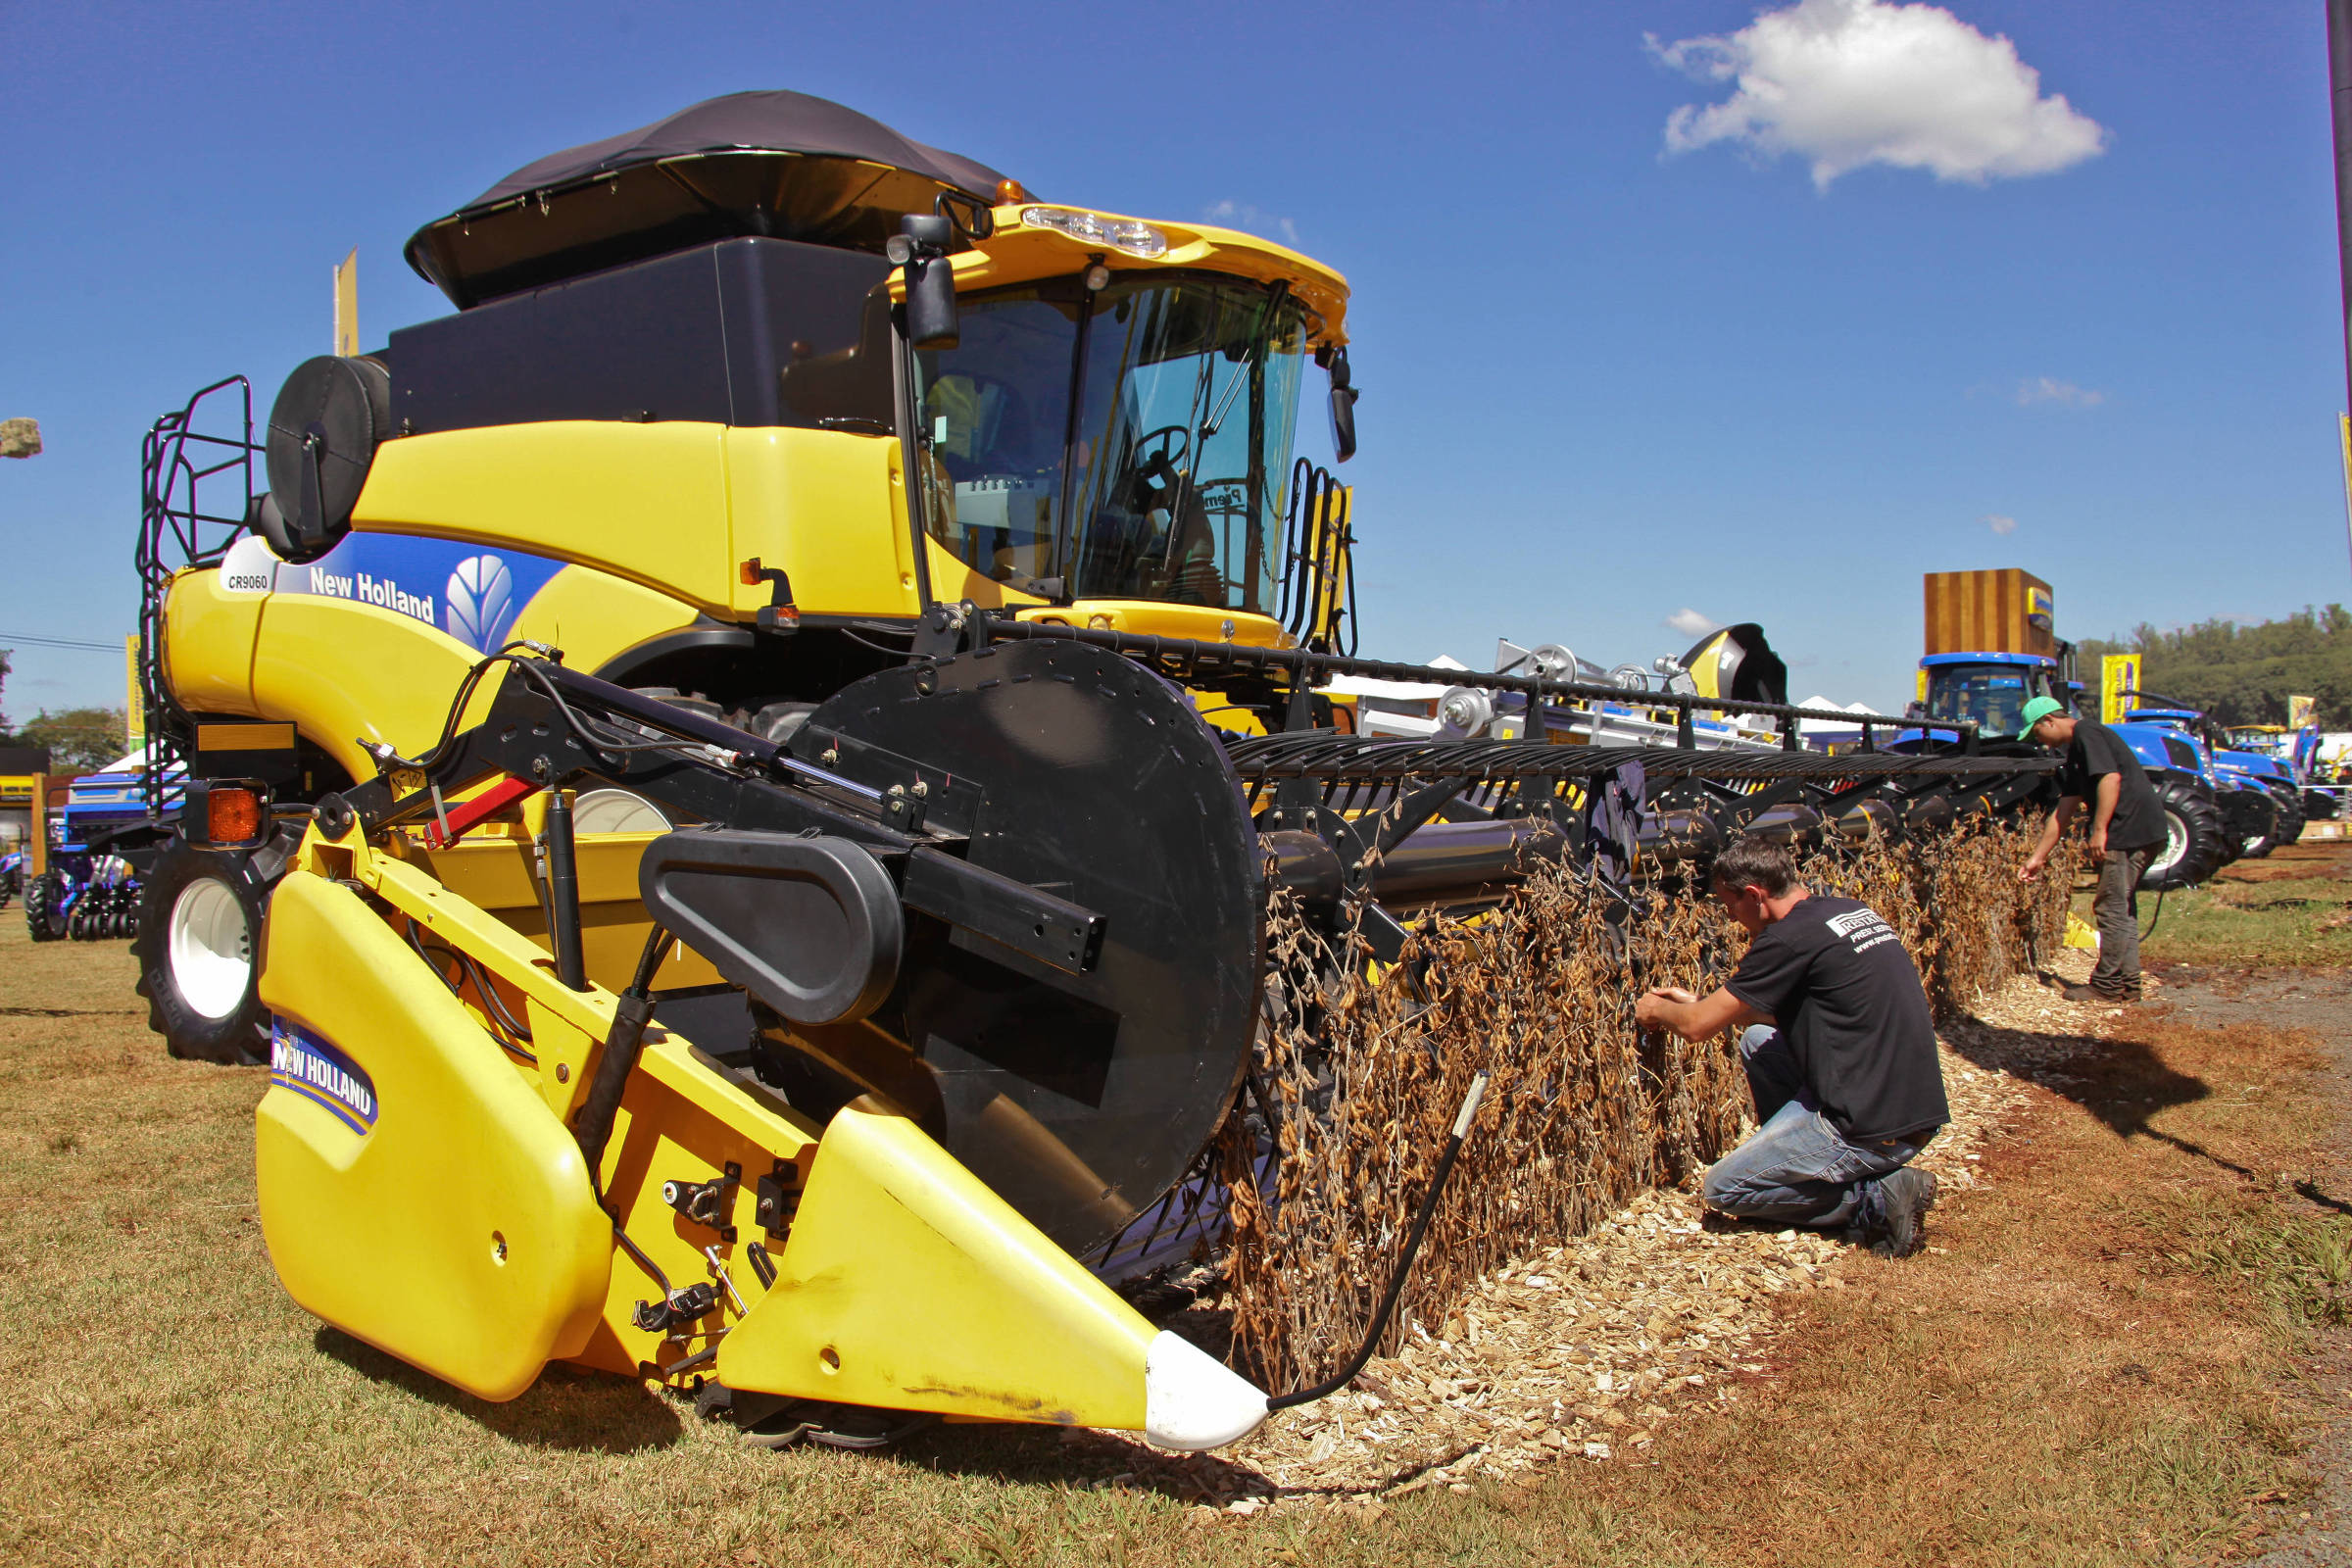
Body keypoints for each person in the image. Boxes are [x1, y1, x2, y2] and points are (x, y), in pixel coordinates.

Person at [1635, 837, 1946, 1257]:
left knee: (1725, 1189)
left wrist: (1656, 1010)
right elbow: (1810, 1013)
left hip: (1871, 1127)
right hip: (1908, 1105)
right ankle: (1802, 1160)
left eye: (1730, 906)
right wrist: (1702, 1005)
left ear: (1754, 895)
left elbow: (1695, 1030)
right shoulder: (1844, 911)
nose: (1730, 917)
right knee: (1759, 1041)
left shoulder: (1785, 938)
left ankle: (1875, 1197)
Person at [2016, 694, 2167, 1003]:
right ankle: (2127, 985)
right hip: (2143, 829)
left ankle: (2107, 986)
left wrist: (2099, 831)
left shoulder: (2087, 733)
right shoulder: (2076, 753)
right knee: (2122, 908)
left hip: (2127, 831)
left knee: (2110, 908)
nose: (2040, 741)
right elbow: (2064, 810)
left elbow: (2110, 779)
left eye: (2037, 732)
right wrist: (2037, 858)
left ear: (2050, 720)